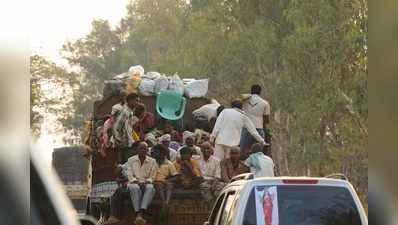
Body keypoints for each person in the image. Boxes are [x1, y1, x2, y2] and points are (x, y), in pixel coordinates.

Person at [124, 142, 158, 224]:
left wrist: (147, 182)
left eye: (144, 149)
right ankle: (139, 214)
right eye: (141, 148)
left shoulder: (152, 161)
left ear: (147, 150)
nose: (143, 150)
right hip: (134, 182)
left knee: (150, 188)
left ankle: (140, 212)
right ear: (137, 150)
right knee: (134, 187)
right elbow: (129, 173)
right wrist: (135, 181)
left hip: (146, 183)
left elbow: (153, 176)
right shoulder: (131, 160)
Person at [241, 84, 271, 156]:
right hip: (259, 129)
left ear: (251, 91)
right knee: (259, 153)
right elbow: (266, 120)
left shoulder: (244, 100)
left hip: (246, 129)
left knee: (243, 152)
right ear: (260, 92)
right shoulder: (265, 103)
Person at [113, 93, 141, 161]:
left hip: (127, 144)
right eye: (136, 100)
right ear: (130, 100)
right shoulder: (125, 112)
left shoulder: (130, 112)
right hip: (123, 146)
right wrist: (119, 142)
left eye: (138, 101)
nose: (138, 103)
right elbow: (116, 127)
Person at [151, 144, 178, 208]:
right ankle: (164, 202)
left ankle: (166, 202)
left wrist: (167, 180)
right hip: (153, 182)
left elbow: (176, 176)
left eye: (156, 152)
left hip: (164, 183)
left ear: (162, 153)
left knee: (169, 184)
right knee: (159, 184)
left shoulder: (169, 163)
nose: (154, 154)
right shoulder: (151, 162)